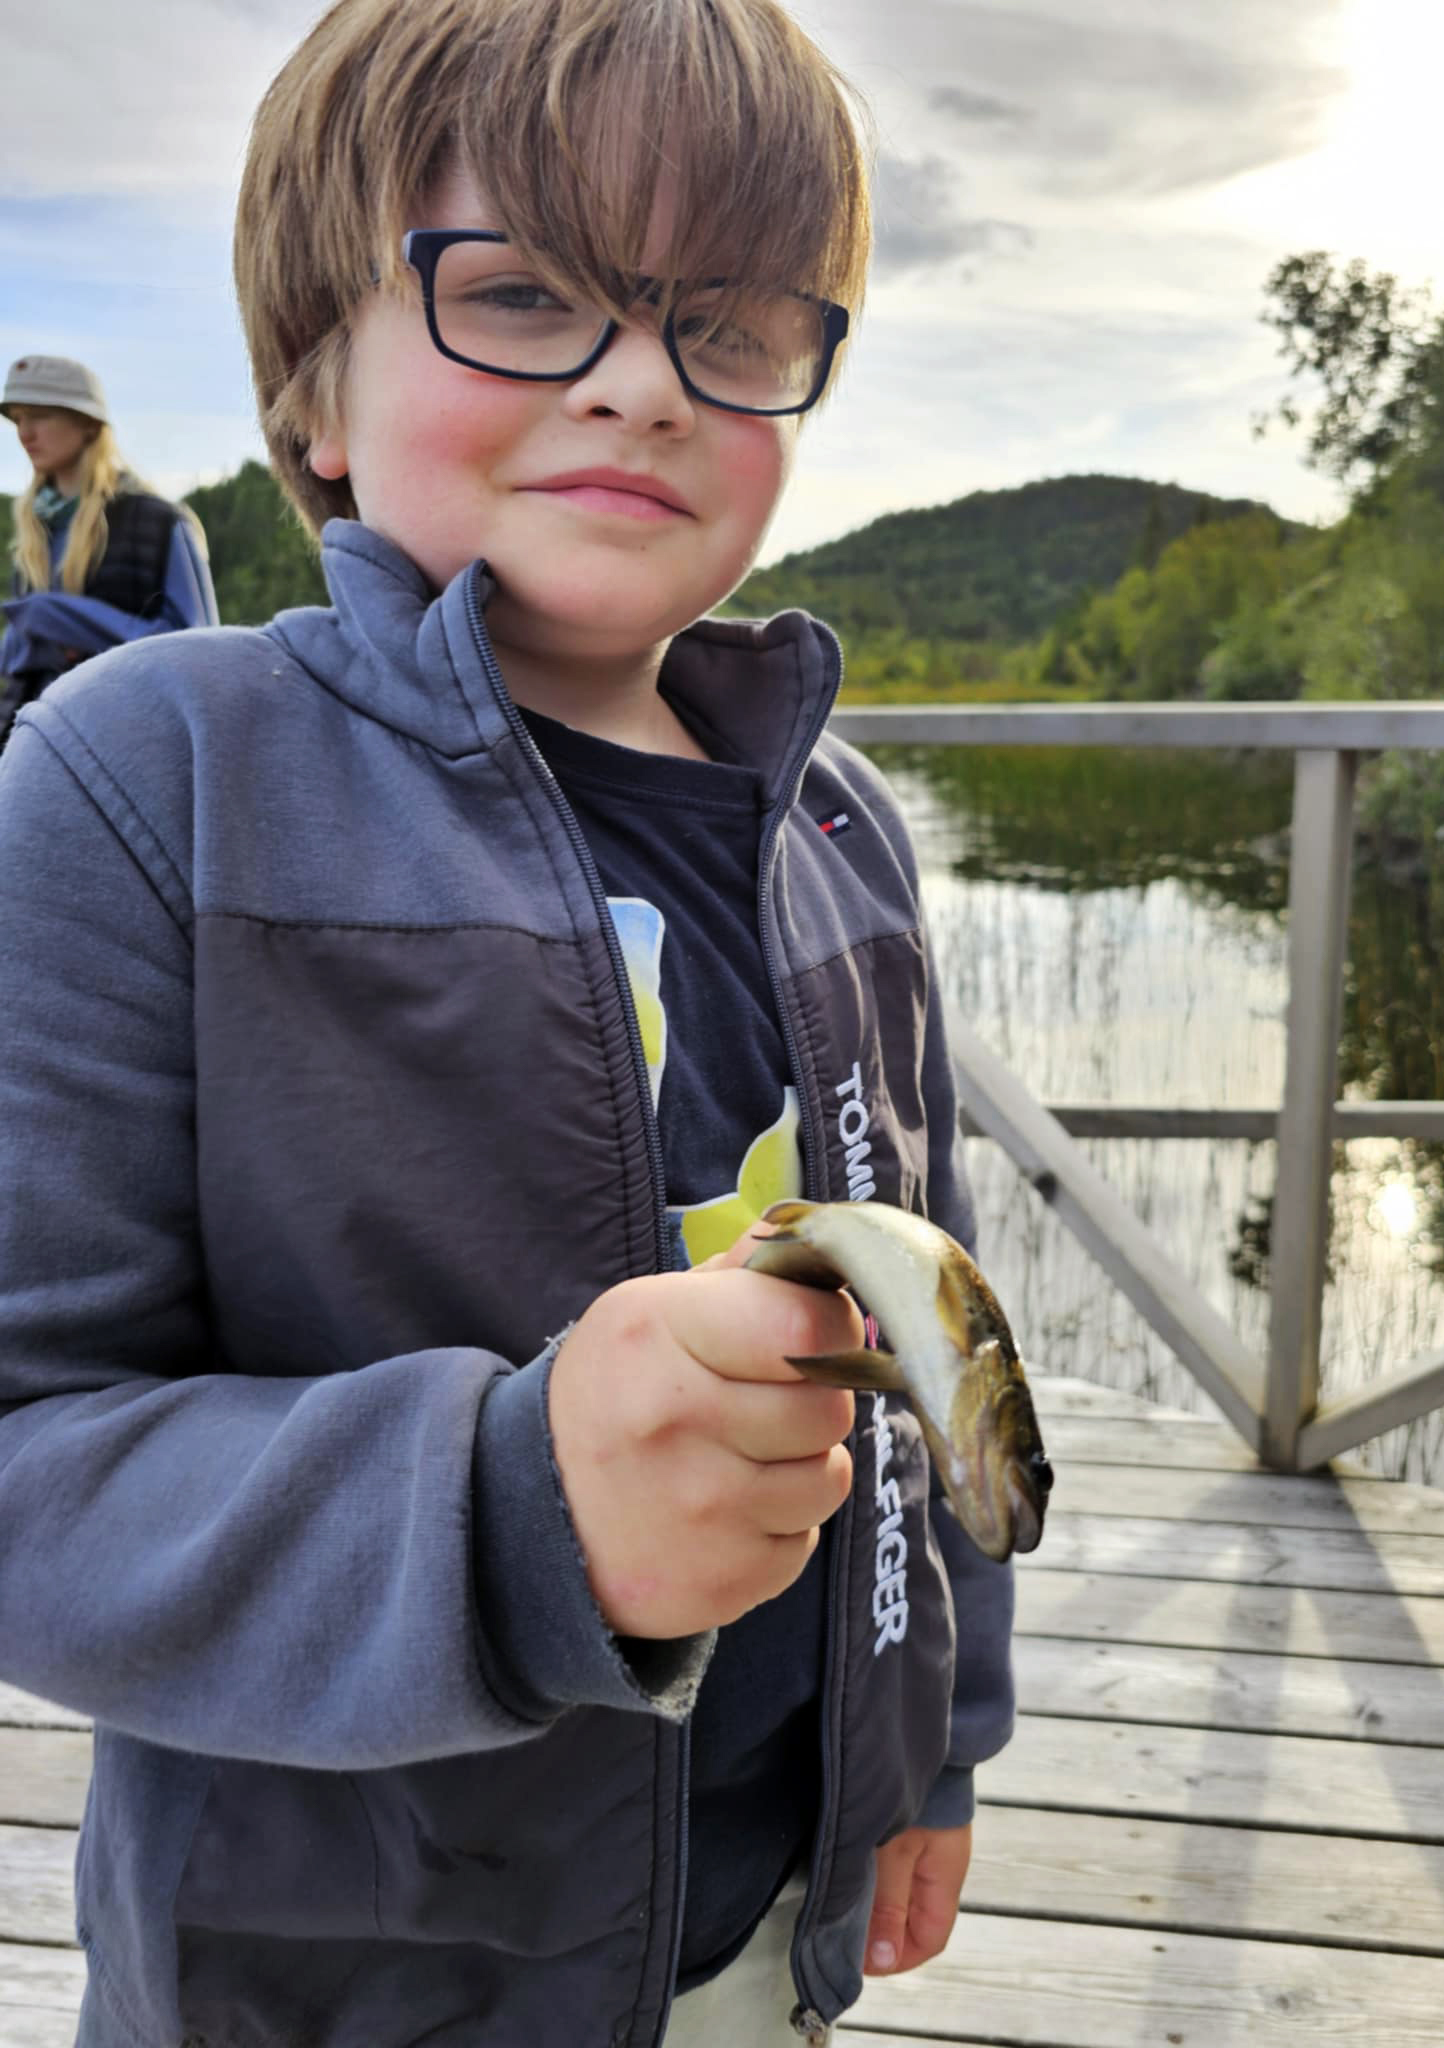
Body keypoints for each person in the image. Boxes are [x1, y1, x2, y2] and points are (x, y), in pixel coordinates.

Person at [0, 3, 1015, 2045]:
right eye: (527, 291)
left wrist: (937, 1739)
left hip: (758, 1927)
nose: (641, 381)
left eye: (730, 321)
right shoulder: (149, 778)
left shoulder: (834, 827)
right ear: (316, 391)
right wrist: (510, 1507)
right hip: (320, 1979)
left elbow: (937, 1351)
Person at [1, 354, 217, 732]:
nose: (25, 432)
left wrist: (60, 618)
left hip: (128, 741)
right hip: (36, 742)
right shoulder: (35, 532)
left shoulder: (158, 521)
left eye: (40, 414)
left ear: (87, 424)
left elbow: (198, 648)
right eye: (18, 418)